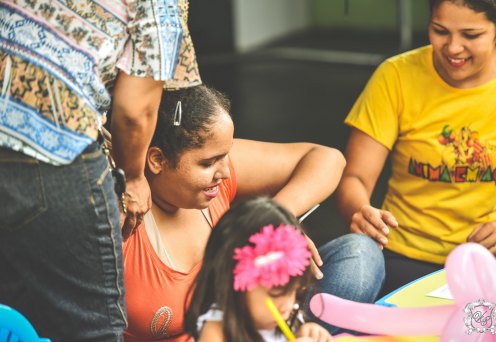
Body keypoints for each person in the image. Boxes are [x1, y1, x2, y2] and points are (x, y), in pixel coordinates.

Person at [0, 0, 200, 340]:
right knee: (91, 329)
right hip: (53, 146)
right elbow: (134, 111)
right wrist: (133, 177)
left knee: (15, 316)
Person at [122, 84, 384, 340]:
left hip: (262, 326)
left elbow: (328, 159)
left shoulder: (216, 175)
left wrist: (274, 223)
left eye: (225, 157)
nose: (224, 172)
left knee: (360, 255)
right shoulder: (120, 221)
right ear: (157, 160)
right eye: (208, 163)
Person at [335, 0, 496, 296]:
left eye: (471, 35)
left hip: (495, 260)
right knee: (357, 261)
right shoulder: (396, 76)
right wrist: (361, 211)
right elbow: (355, 178)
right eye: (440, 31)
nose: (453, 48)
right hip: (404, 255)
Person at [185, 197, 333, 342]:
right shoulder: (217, 332)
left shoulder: (287, 319)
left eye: (294, 291)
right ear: (234, 283)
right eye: (275, 294)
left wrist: (305, 333)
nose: (287, 306)